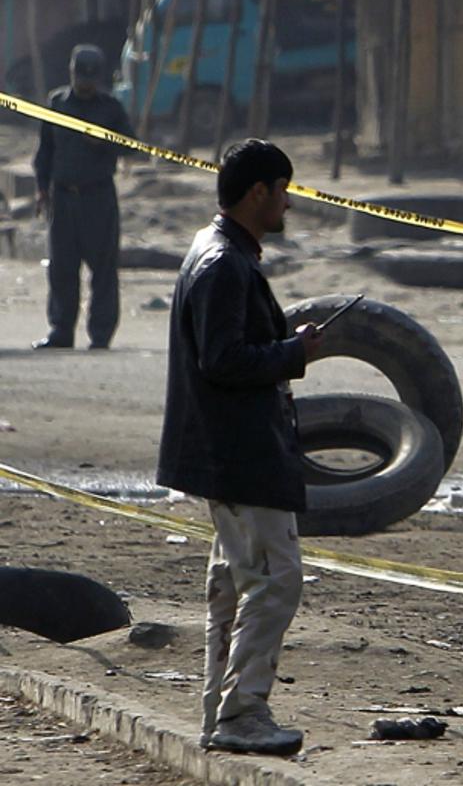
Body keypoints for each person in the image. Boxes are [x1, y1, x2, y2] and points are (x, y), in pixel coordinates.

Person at [156, 139, 320, 757]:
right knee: (277, 581)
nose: (287, 204)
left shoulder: (218, 251)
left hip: (224, 453)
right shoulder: (223, 263)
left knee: (232, 586)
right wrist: (293, 353)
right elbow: (223, 360)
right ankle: (243, 713)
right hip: (241, 454)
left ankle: (218, 715)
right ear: (258, 193)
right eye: (282, 191)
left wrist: (284, 349)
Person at [31, 45, 134, 350]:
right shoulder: (57, 103)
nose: (84, 84)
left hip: (98, 197)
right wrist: (41, 188)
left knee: (103, 269)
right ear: (71, 73)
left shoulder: (111, 108)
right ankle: (61, 330)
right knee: (62, 267)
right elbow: (45, 151)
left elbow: (132, 145)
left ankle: (100, 335)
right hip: (63, 197)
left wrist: (104, 141)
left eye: (90, 79)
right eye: (80, 77)